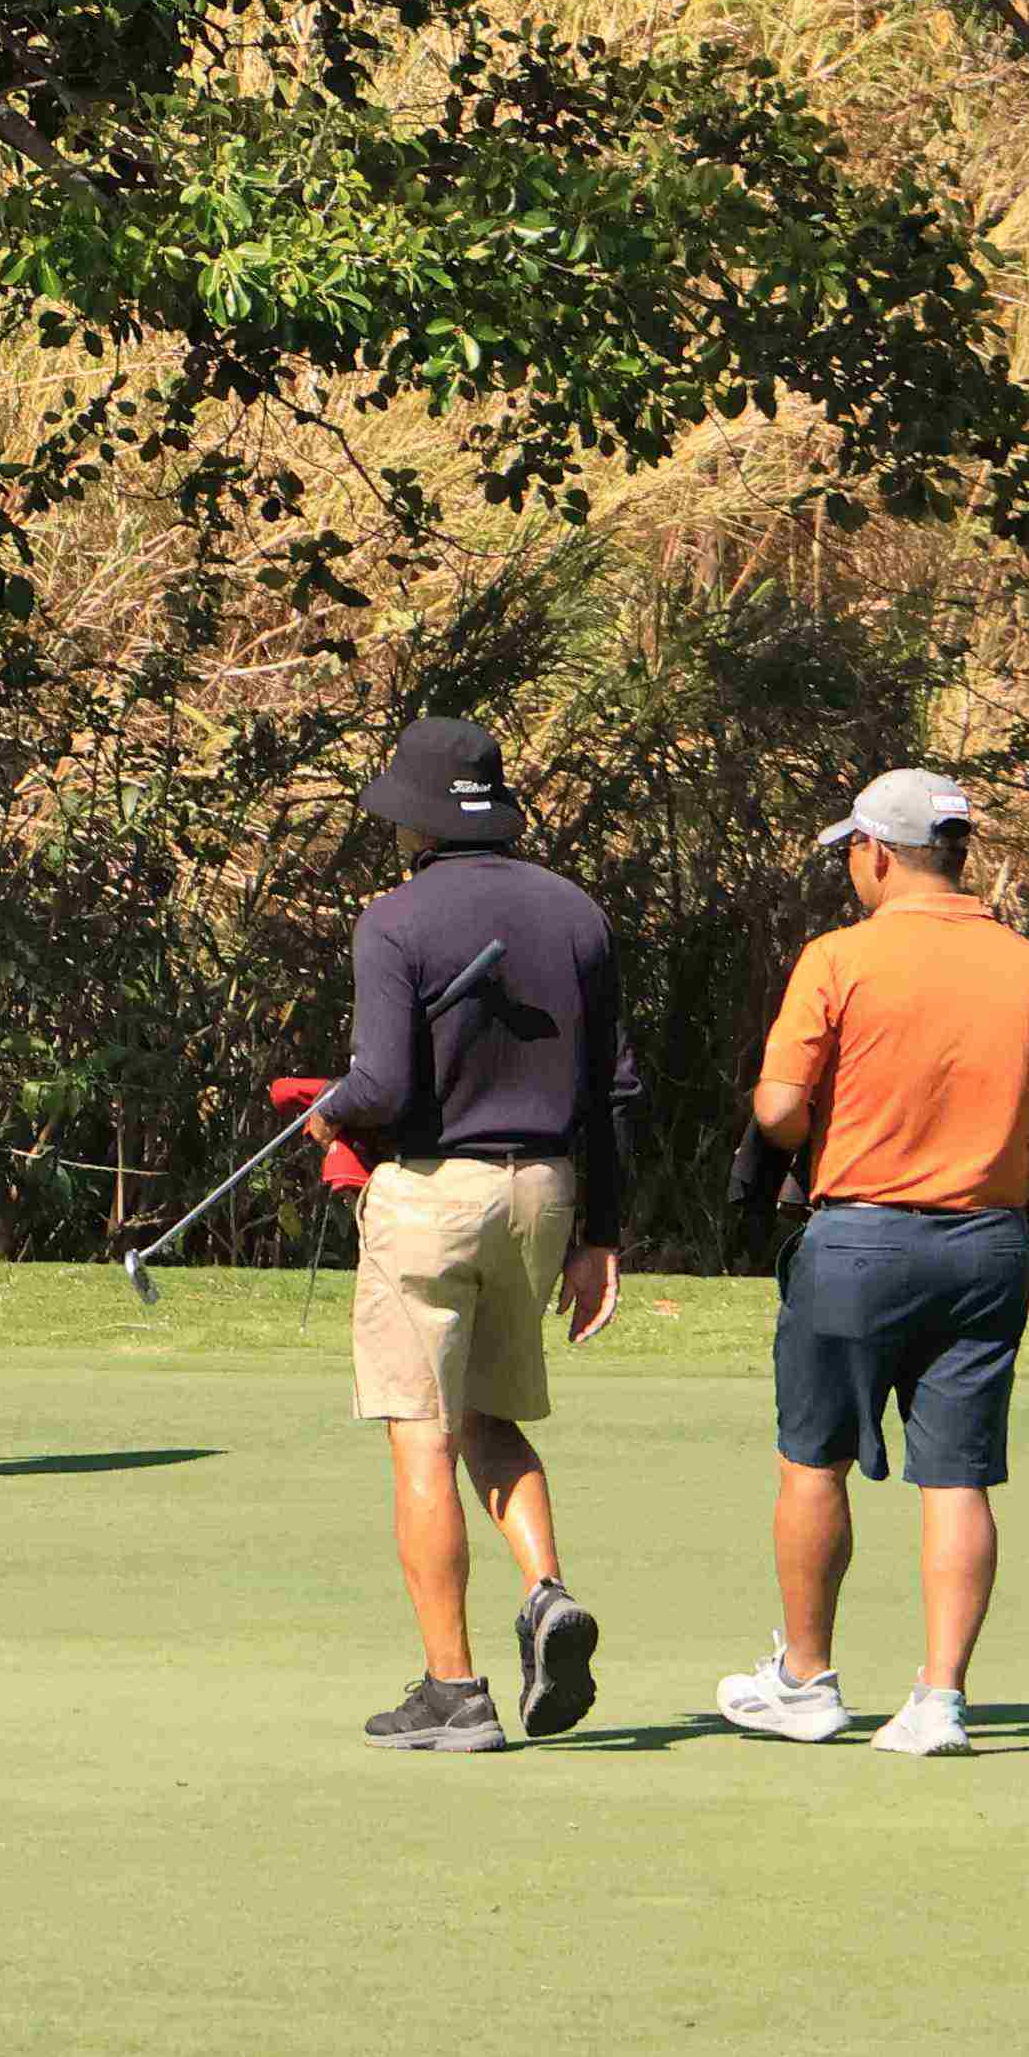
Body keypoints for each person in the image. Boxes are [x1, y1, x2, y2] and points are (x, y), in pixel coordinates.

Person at [722, 770, 1029, 1760]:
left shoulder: (839, 958)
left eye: (852, 849)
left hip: (857, 1238)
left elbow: (777, 1109)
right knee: (959, 1476)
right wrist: (994, 1157)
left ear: (878, 852)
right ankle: (939, 1699)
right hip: (985, 1243)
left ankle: (805, 1678)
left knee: (813, 1460)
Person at [307, 716, 635, 1753]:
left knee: (424, 1431)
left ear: (418, 819)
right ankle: (544, 1591)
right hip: (544, 1188)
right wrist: (603, 1233)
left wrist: (330, 1111)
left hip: (430, 1191)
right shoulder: (577, 912)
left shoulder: (394, 919)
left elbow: (386, 1083)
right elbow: (615, 1089)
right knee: (492, 1417)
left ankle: (453, 1689)